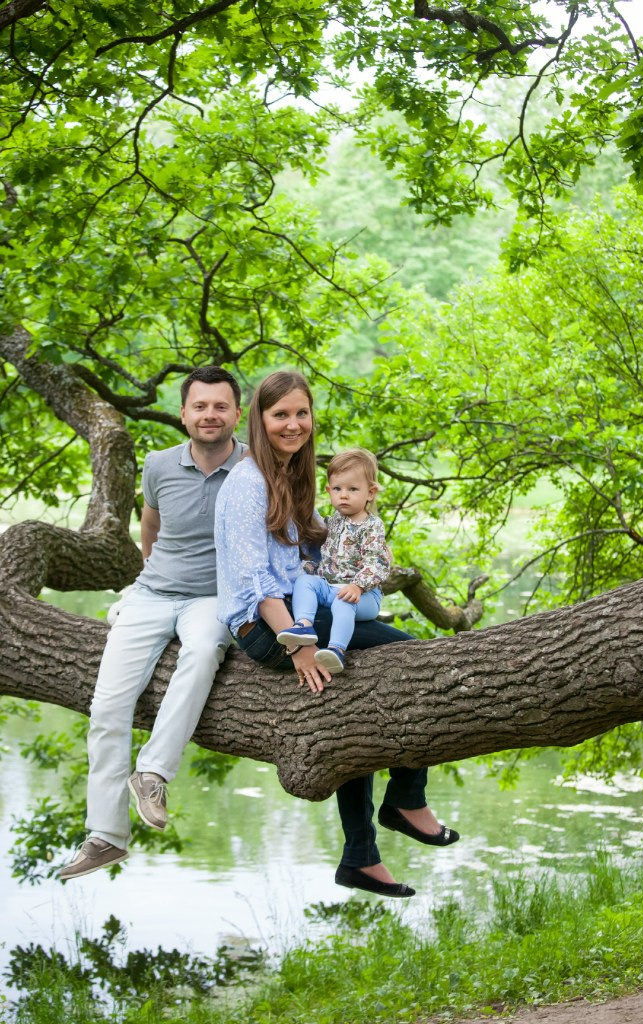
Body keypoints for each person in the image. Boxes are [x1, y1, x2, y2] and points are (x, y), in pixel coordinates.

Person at [215, 369, 458, 899]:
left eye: (302, 413)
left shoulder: (293, 477)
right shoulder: (248, 482)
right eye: (280, 414)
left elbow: (315, 552)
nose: (293, 424)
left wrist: (362, 537)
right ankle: (407, 798)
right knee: (417, 658)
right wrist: (299, 646)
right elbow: (255, 580)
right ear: (257, 419)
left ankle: (360, 857)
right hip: (268, 627)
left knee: (353, 705)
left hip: (299, 613)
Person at [60, 366, 246, 880]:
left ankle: (153, 773)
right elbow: (151, 522)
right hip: (151, 594)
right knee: (107, 707)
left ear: (237, 413)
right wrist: (150, 573)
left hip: (213, 598)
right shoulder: (159, 464)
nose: (210, 414)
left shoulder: (255, 468)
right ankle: (105, 835)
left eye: (221, 406)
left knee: (204, 651)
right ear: (184, 413)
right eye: (200, 406)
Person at [276, 448, 391, 675]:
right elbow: (328, 557)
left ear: (370, 492)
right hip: (330, 586)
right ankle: (303, 625)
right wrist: (308, 569)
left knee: (342, 602)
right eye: (337, 489)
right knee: (305, 582)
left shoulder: (371, 526)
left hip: (364, 595)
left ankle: (336, 649)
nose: (343, 495)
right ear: (329, 490)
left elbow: (378, 564)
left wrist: (358, 586)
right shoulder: (335, 520)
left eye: (353, 489)